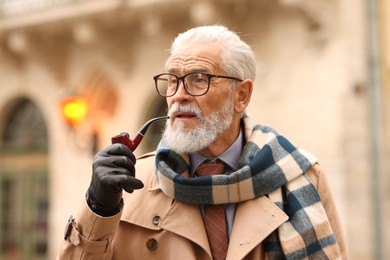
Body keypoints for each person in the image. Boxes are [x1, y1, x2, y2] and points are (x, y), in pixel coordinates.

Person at [57, 25, 347, 260]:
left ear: (241, 95)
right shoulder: (131, 184)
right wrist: (98, 207)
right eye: (172, 80)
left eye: (198, 79)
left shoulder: (301, 176)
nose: (178, 94)